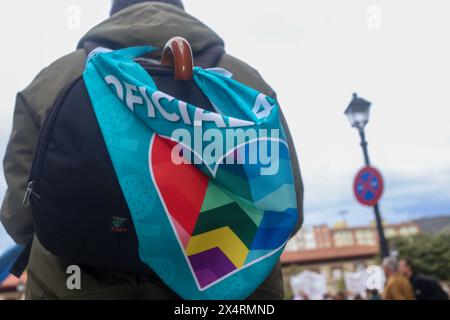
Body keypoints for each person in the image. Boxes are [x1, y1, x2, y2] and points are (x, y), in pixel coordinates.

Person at [0, 0, 304, 300]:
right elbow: (288, 204)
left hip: (76, 283)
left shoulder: (55, 78)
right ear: (180, 10)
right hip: (227, 286)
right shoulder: (244, 79)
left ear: (115, 14)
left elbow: (20, 211)